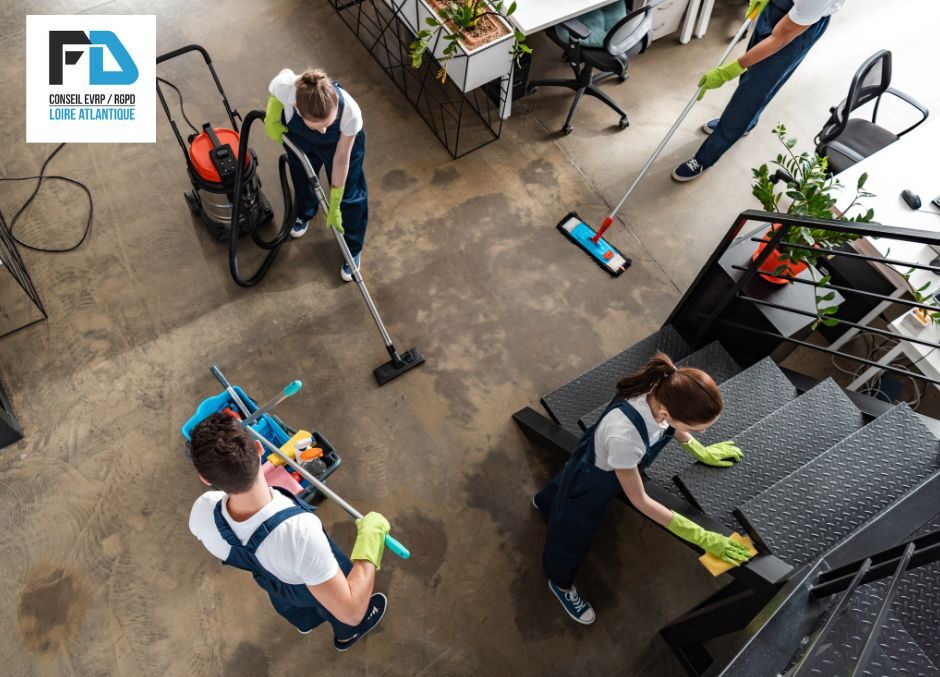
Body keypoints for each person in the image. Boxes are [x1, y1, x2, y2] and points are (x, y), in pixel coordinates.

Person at [533, 353, 753, 624]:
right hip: (594, 481)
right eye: (698, 430)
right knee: (572, 533)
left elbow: (673, 426)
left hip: (597, 452)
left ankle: (545, 502)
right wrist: (703, 537)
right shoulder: (627, 439)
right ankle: (559, 581)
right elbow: (641, 501)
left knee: (565, 483)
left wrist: (701, 451)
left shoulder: (663, 386)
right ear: (666, 414)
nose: (702, 433)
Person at [188, 412, 389, 651]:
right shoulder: (300, 533)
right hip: (302, 577)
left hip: (274, 580)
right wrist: (371, 540)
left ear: (205, 478)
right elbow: (352, 611)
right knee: (335, 602)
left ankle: (306, 621)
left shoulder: (203, 511)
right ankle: (347, 636)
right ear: (259, 448)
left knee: (290, 597)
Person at [672, 0, 844, 181]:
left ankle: (705, 158)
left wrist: (730, 70)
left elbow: (779, 38)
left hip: (796, 30)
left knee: (750, 95)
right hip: (782, 9)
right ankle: (746, 124)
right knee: (751, 80)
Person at [264, 68, 368, 282]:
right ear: (296, 108)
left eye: (327, 125)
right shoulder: (287, 89)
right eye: (317, 126)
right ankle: (305, 212)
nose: (322, 131)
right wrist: (273, 114)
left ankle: (352, 247)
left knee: (350, 193)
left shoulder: (351, 113)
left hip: (340, 146)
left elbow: (341, 159)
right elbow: (276, 85)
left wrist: (336, 200)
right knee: (301, 175)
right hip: (301, 138)